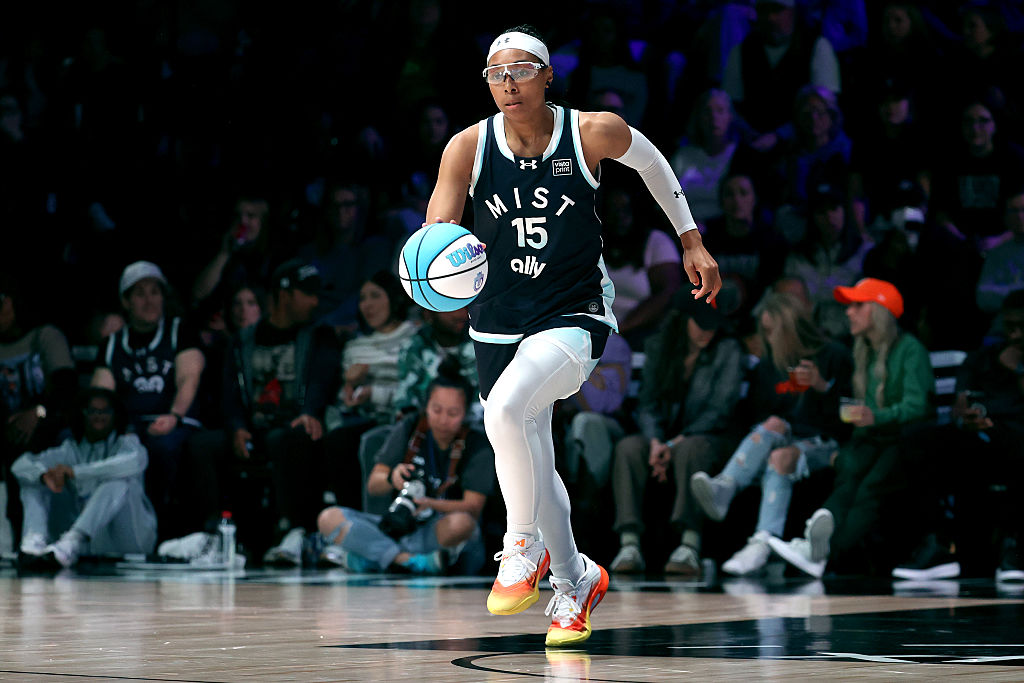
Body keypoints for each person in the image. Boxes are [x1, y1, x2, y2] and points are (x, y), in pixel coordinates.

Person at [423, 24, 721, 646]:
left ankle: (520, 545)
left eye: (521, 70)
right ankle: (573, 579)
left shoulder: (590, 131)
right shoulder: (467, 147)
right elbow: (435, 234)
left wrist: (691, 239)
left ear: (547, 75)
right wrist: (433, 272)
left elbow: (653, 164)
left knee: (506, 410)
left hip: (574, 309)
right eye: (496, 74)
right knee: (529, 445)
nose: (508, 83)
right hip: (497, 317)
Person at [768, 278, 933, 577]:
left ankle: (825, 554)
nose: (848, 312)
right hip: (871, 438)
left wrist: (876, 417)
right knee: (848, 471)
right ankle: (813, 546)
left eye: (858, 305)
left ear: (879, 311)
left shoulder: (910, 350)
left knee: (868, 487)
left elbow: (917, 406)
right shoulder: (862, 351)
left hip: (904, 440)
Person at [690, 292, 852, 576]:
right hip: (786, 439)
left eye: (769, 330)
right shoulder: (769, 365)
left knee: (782, 454)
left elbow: (844, 418)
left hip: (825, 441)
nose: (766, 338)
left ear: (789, 327)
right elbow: (759, 415)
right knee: (776, 440)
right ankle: (727, 490)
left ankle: (760, 540)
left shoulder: (834, 355)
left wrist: (821, 387)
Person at [209, 259, 340, 564]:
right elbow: (229, 393)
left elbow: (322, 381)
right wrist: (236, 426)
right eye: (306, 293)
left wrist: (311, 411)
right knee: (204, 445)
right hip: (253, 426)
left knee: (286, 439)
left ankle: (292, 530)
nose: (314, 301)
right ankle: (212, 534)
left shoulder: (319, 336)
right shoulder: (243, 340)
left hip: (296, 425)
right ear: (284, 295)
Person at [892, 290, 1024, 582]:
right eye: (1009, 325)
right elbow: (959, 404)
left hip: (1015, 439)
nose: (1014, 333)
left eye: (1021, 326)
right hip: (977, 437)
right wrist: (965, 417)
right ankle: (937, 543)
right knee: (916, 442)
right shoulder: (982, 359)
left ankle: (1016, 547)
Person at [609, 294, 744, 576]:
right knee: (628, 448)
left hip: (709, 437)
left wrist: (672, 444)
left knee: (691, 449)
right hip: (664, 436)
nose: (707, 331)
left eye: (712, 325)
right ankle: (629, 542)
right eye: (700, 323)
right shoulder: (661, 346)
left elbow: (720, 410)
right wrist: (657, 441)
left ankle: (689, 544)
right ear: (684, 319)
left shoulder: (727, 350)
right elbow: (647, 403)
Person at [316, 372, 494, 575]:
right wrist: (393, 478)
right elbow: (374, 485)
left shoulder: (476, 444)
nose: (443, 419)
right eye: (436, 410)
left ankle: (375, 557)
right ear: (426, 406)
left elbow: (473, 508)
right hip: (395, 526)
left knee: (462, 524)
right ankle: (407, 561)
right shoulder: (410, 428)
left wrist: (428, 504)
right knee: (328, 518)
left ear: (465, 413)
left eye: (452, 413)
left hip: (436, 529)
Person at [90, 261, 205, 541]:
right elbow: (101, 394)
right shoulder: (113, 343)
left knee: (162, 448)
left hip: (174, 422)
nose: (149, 300)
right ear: (126, 301)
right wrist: (113, 425)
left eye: (155, 292)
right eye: (140, 294)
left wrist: (174, 416)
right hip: (129, 426)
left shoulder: (180, 331)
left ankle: (163, 534)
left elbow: (188, 379)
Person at [12, 387, 156, 569]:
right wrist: (43, 476)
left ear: (115, 415)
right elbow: (20, 465)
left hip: (129, 540)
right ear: (82, 414)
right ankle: (34, 543)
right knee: (33, 480)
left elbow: (132, 463)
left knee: (117, 481)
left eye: (105, 411)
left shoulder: (127, 444)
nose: (99, 417)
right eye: (92, 411)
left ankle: (73, 540)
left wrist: (76, 473)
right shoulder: (70, 450)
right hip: (85, 546)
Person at [323, 271, 418, 510]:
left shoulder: (413, 338)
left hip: (406, 420)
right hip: (368, 419)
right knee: (339, 440)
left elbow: (416, 391)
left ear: (395, 299)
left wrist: (373, 392)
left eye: (375, 296)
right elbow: (343, 402)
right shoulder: (355, 348)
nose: (367, 305)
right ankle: (350, 519)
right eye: (363, 298)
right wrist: (351, 388)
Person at [0, 275, 78, 550]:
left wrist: (38, 412)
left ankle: (48, 540)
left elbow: (66, 389)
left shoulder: (44, 336)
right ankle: (22, 544)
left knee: (30, 450)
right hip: (8, 432)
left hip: (49, 425)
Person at [722, 0, 841, 135]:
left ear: (793, 12)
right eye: (764, 10)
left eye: (777, 10)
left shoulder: (818, 47)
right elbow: (731, 104)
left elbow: (827, 109)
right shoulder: (741, 50)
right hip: (752, 141)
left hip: (804, 143)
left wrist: (781, 135)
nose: (771, 17)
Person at [392, 307, 479, 423]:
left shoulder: (481, 346)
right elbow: (404, 403)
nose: (461, 314)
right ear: (428, 314)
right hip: (426, 429)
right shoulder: (414, 347)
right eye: (450, 308)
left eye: (464, 306)